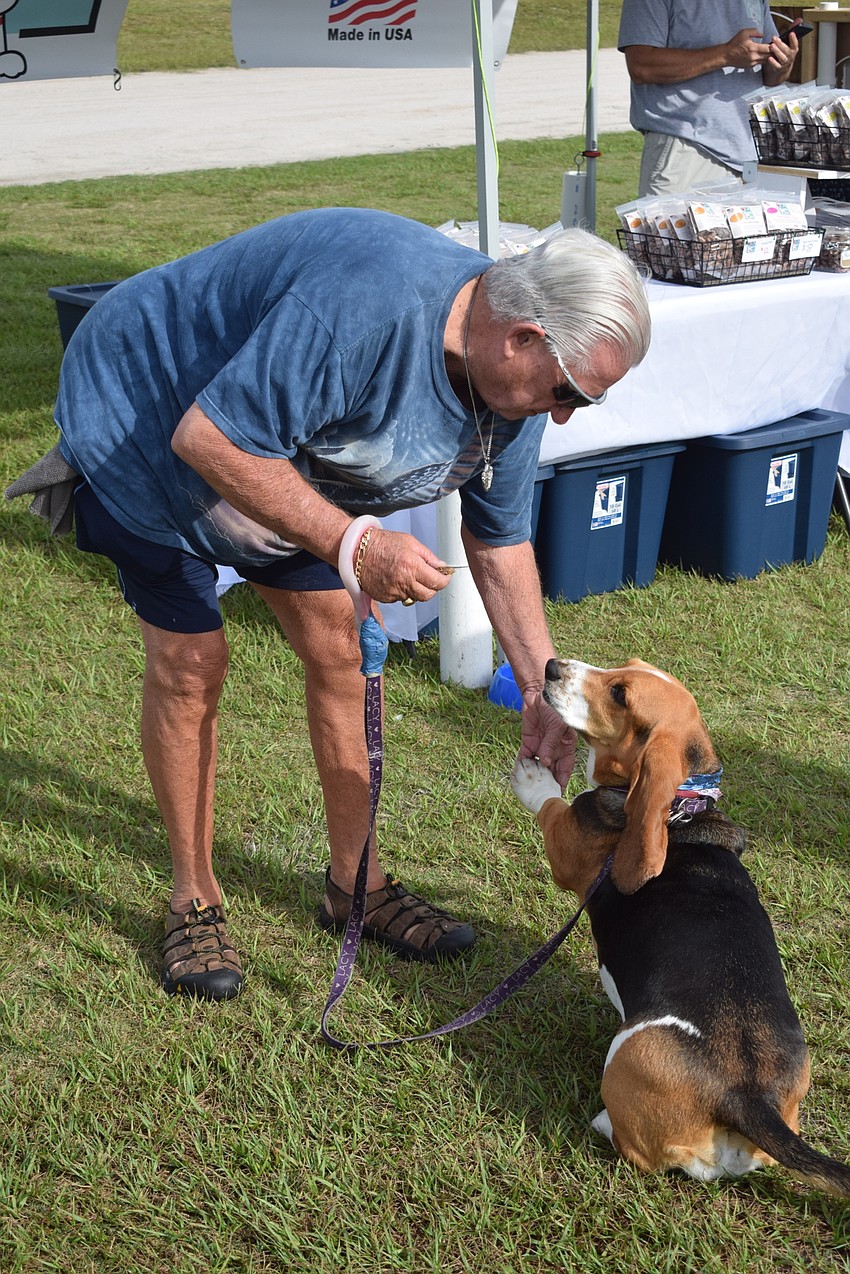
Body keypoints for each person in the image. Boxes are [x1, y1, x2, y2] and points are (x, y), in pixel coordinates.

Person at [29, 208, 651, 1001]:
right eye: (568, 391)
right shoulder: (365, 312)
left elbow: (502, 541)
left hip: (274, 440)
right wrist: (357, 546)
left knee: (342, 647)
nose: (564, 413)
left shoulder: (515, 391)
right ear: (522, 336)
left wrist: (539, 690)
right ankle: (193, 897)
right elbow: (209, 439)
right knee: (192, 661)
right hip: (148, 413)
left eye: (583, 403)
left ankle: (356, 886)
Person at [618, 0, 800, 197]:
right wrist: (725, 55)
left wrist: (782, 63)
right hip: (686, 151)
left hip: (748, 157)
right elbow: (642, 66)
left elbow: (770, 77)